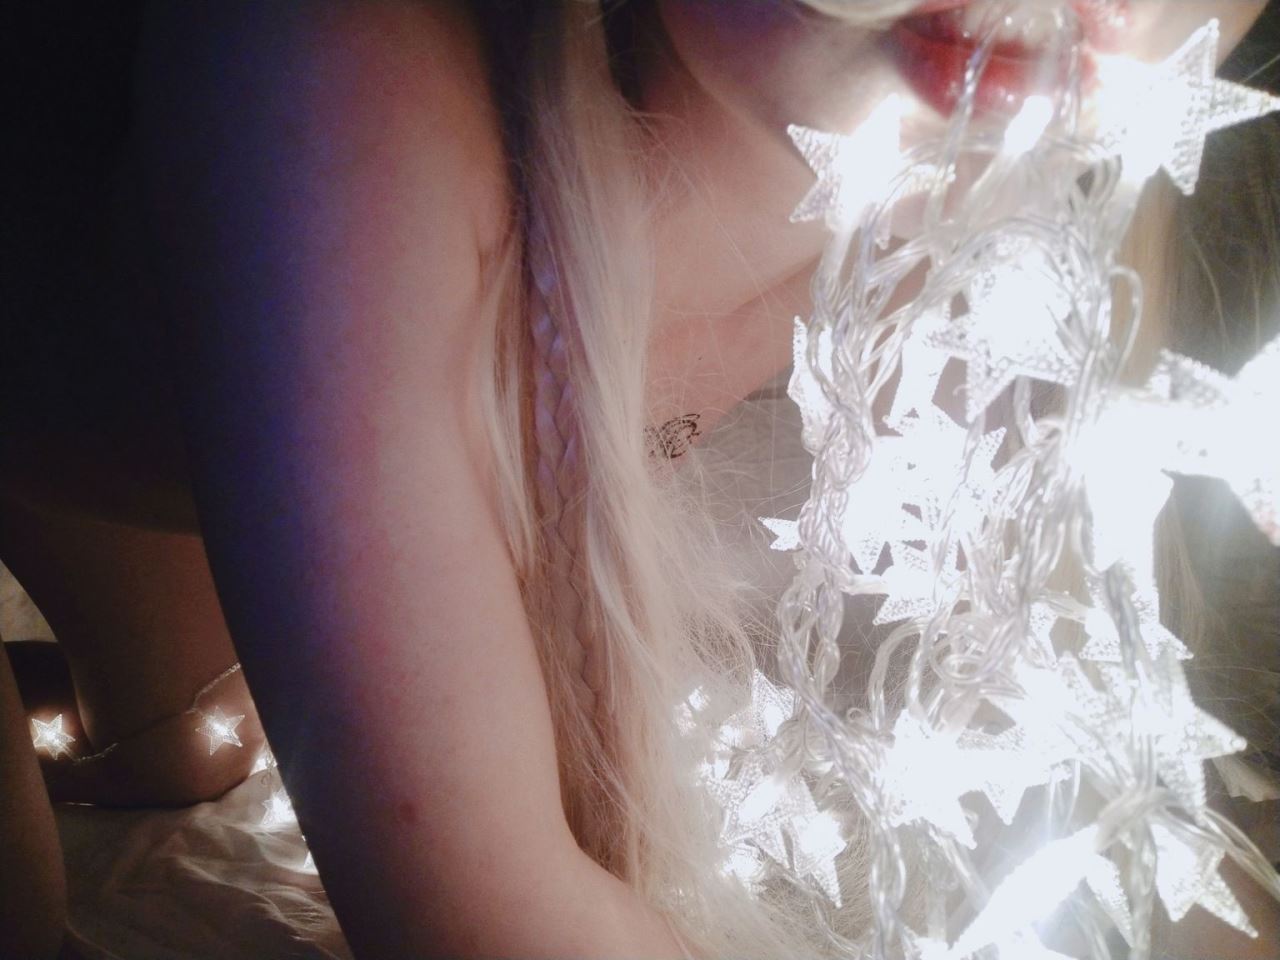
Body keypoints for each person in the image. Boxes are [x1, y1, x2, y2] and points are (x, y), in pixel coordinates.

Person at [0, 2, 1277, 957]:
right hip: (67, 403)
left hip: (166, 449)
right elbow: (482, 912)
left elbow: (1086, 786)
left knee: (189, 757)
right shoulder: (334, 71)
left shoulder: (964, 158)